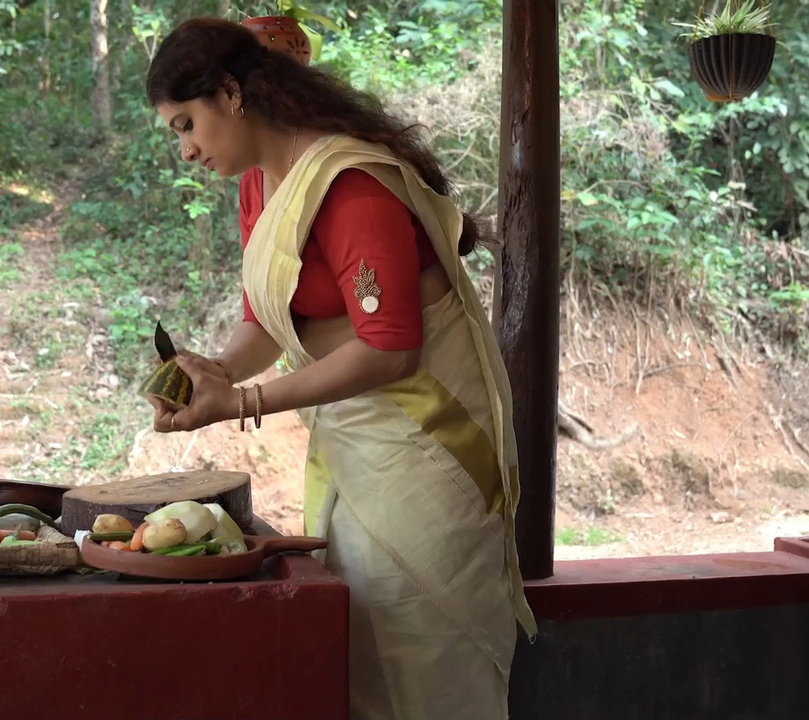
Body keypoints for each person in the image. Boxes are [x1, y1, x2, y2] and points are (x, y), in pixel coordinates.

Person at [143, 17, 536, 720]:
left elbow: (390, 348)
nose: (186, 149)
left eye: (185, 123)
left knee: (430, 668)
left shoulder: (350, 185)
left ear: (231, 94)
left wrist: (241, 404)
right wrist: (216, 371)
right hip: (355, 458)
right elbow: (269, 319)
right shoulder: (263, 185)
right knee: (362, 667)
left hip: (427, 457)